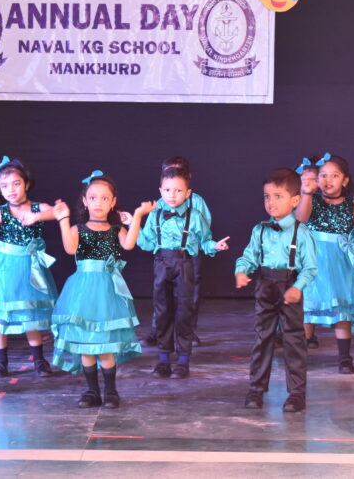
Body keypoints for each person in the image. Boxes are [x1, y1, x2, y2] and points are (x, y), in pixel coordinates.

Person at [51, 171, 152, 408]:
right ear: (85, 201)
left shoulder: (116, 230)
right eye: (93, 197)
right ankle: (92, 391)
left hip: (108, 292)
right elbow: (69, 248)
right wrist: (63, 219)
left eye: (105, 198)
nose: (98, 202)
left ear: (113, 202)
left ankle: (111, 391)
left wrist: (138, 216)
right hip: (82, 291)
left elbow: (130, 244)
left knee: (105, 345)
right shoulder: (78, 229)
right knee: (87, 346)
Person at [294, 153, 354, 374]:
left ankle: (344, 358)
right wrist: (306, 193)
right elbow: (301, 219)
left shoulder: (351, 204)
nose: (328, 180)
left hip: (340, 263)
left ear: (345, 181)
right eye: (323, 175)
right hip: (313, 259)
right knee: (308, 307)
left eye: (334, 175)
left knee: (342, 310)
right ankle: (301, 352)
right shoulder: (312, 200)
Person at [0, 157, 58, 377]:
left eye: (16, 183)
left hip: (29, 267)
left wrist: (36, 216)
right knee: (0, 314)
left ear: (26, 184)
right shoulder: (2, 212)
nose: (11, 190)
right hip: (3, 268)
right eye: (5, 186)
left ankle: (39, 360)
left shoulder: (37, 207)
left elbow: (59, 211)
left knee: (30, 312)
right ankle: (0, 361)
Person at [236, 168, 318, 413]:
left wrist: (298, 287)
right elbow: (248, 257)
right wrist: (241, 271)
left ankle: (296, 394)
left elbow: (310, 268)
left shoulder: (301, 232)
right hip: (265, 286)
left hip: (289, 287)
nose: (271, 202)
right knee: (262, 338)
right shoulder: (260, 230)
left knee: (294, 340)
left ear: (295, 200)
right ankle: (256, 389)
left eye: (278, 196)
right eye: (267, 196)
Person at [138, 166, 228, 378]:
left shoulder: (194, 216)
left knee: (184, 312)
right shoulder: (155, 215)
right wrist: (132, 225)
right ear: (160, 191)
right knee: (162, 312)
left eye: (178, 190)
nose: (172, 195)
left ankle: (183, 361)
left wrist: (215, 246)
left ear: (188, 193)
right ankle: (163, 360)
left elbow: (204, 241)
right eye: (167, 190)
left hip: (184, 264)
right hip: (161, 264)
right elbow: (146, 242)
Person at [143, 156, 213, 348]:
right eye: (167, 173)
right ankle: (158, 330)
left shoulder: (196, 201)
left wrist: (201, 244)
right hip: (166, 257)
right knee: (162, 293)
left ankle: (187, 331)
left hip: (188, 253)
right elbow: (151, 230)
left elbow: (205, 227)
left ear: (188, 177)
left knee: (190, 293)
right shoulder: (160, 203)